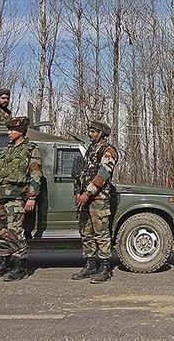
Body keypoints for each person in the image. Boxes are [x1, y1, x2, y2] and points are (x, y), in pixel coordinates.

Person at [0, 117, 41, 282]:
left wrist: (32, 197)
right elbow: (0, 176)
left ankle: (20, 266)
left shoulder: (31, 149)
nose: (8, 133)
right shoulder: (8, 149)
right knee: (1, 231)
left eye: (12, 130)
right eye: (8, 130)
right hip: (0, 196)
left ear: (21, 131)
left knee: (14, 231)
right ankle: (4, 262)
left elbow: (36, 174)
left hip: (17, 197)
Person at [71, 120, 118, 284]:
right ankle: (90, 264)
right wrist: (78, 192)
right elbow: (81, 173)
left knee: (101, 234)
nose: (90, 134)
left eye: (93, 131)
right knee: (86, 233)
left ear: (101, 134)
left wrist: (88, 193)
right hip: (84, 198)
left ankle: (105, 268)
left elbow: (103, 174)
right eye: (89, 131)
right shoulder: (90, 150)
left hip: (98, 199)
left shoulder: (108, 151)